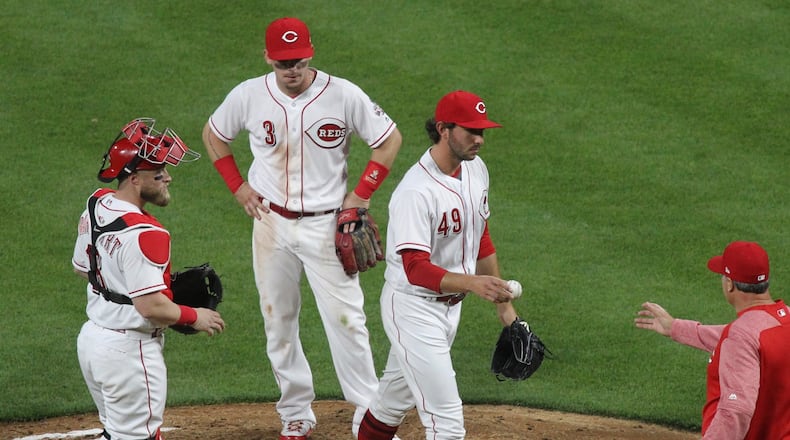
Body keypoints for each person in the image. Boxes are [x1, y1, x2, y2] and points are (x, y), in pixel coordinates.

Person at [201, 17, 402, 440]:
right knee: (278, 320)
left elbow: (389, 140)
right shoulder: (249, 95)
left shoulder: (344, 94)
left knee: (348, 321)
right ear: (268, 58)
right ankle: (295, 411)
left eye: (298, 60)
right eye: (282, 62)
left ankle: (369, 415)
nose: (291, 69)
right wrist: (238, 187)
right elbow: (214, 134)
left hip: (328, 226)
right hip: (270, 223)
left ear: (311, 53)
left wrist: (361, 195)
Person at [357, 90, 525, 440]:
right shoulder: (415, 192)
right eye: (470, 131)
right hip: (413, 309)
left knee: (390, 404)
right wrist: (472, 283)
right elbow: (415, 268)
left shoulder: (476, 170)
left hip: (449, 310)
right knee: (446, 423)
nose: (479, 139)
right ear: (443, 130)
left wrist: (505, 308)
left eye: (483, 132)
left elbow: (481, 237)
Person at [72, 118, 226, 440]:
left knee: (117, 432)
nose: (168, 177)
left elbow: (83, 267)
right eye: (159, 173)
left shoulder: (97, 204)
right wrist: (195, 316)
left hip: (93, 342)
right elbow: (150, 307)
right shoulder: (149, 234)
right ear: (135, 180)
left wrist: (133, 277)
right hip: (128, 353)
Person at [635, 241, 790, 439]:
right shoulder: (782, 320)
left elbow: (737, 410)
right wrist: (675, 327)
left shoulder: (742, 337)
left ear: (730, 284)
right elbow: (741, 337)